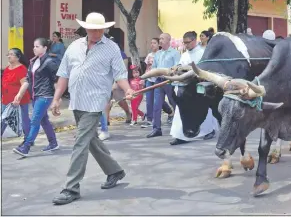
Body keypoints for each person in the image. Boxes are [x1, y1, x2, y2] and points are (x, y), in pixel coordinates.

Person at [49, 12, 134, 205]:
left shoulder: (111, 48)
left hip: (95, 101)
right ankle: (114, 171)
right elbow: (64, 74)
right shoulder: (74, 46)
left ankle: (71, 188)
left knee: (80, 142)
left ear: (105, 29)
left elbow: (120, 74)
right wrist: (56, 99)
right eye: (93, 29)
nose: (96, 32)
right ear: (85, 28)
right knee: (90, 139)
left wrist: (128, 90)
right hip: (77, 100)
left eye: (100, 29)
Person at [12, 38, 60, 156]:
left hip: (45, 95)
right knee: (43, 120)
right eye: (34, 46)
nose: (34, 48)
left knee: (34, 120)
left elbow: (57, 81)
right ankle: (53, 143)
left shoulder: (50, 62)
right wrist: (19, 94)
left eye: (37, 46)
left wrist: (57, 99)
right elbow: (27, 80)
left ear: (45, 48)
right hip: (35, 95)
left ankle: (26, 147)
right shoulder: (33, 61)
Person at [170, 31, 218, 145]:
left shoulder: (202, 53)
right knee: (180, 111)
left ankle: (209, 130)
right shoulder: (184, 54)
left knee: (203, 109)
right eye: (184, 43)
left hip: (198, 87)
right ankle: (180, 135)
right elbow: (180, 67)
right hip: (184, 87)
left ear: (194, 40)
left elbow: (205, 70)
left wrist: (190, 71)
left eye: (188, 42)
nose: (186, 45)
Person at [148, 33, 180, 138]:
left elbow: (177, 68)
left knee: (175, 104)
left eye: (162, 38)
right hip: (158, 81)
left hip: (170, 81)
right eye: (160, 38)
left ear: (168, 40)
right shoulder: (158, 54)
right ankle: (156, 128)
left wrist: (170, 75)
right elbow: (154, 67)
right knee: (156, 105)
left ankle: (180, 126)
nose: (160, 40)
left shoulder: (175, 53)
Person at [1, 48, 31, 141]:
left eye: (11, 54)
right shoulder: (7, 68)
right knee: (3, 119)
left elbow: (25, 84)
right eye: (8, 54)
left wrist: (18, 96)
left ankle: (28, 139)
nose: (9, 56)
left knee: (24, 120)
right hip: (6, 99)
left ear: (18, 57)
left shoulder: (22, 69)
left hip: (19, 100)